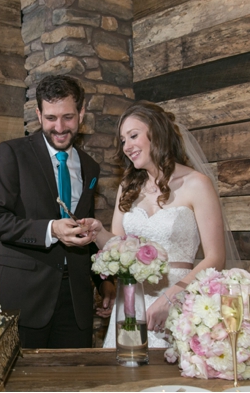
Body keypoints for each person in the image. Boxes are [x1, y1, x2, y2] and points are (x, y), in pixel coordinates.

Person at [83, 101, 238, 348]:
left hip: (180, 297)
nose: (127, 147)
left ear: (156, 133)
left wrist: (171, 297)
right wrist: (98, 233)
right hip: (132, 300)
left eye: (133, 136)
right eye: (123, 140)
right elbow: (119, 246)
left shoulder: (197, 184)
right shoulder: (128, 187)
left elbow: (215, 258)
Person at [0, 75, 116, 348]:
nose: (59, 127)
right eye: (51, 118)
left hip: (76, 301)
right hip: (25, 298)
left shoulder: (90, 166)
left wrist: (104, 280)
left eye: (68, 117)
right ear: (38, 114)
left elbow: (85, 233)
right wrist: (51, 230)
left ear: (81, 113)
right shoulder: (12, 153)